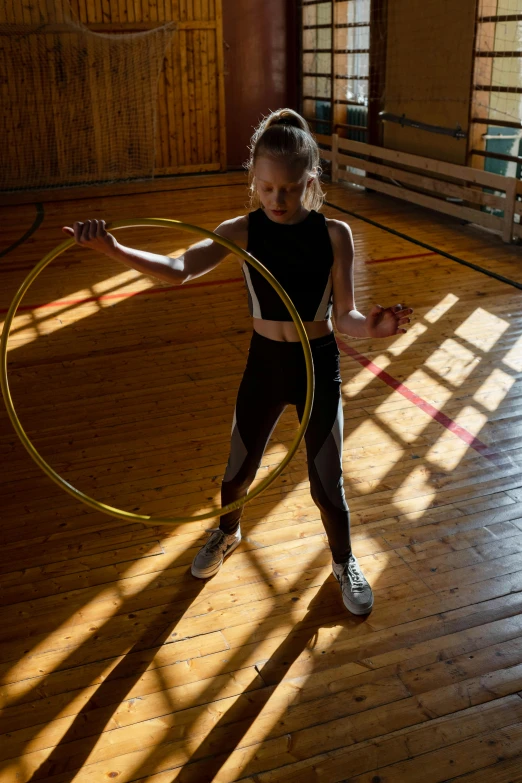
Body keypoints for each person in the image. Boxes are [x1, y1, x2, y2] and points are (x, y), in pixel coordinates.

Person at [62, 108, 412, 615]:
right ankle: (228, 533)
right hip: (265, 365)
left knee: (327, 484)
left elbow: (347, 314)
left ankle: (343, 561)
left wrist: (373, 328)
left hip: (319, 364)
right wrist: (113, 249)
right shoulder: (242, 230)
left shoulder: (334, 235)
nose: (277, 199)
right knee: (236, 474)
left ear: (308, 182)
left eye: (289, 189)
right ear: (254, 180)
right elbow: (179, 269)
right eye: (266, 188)